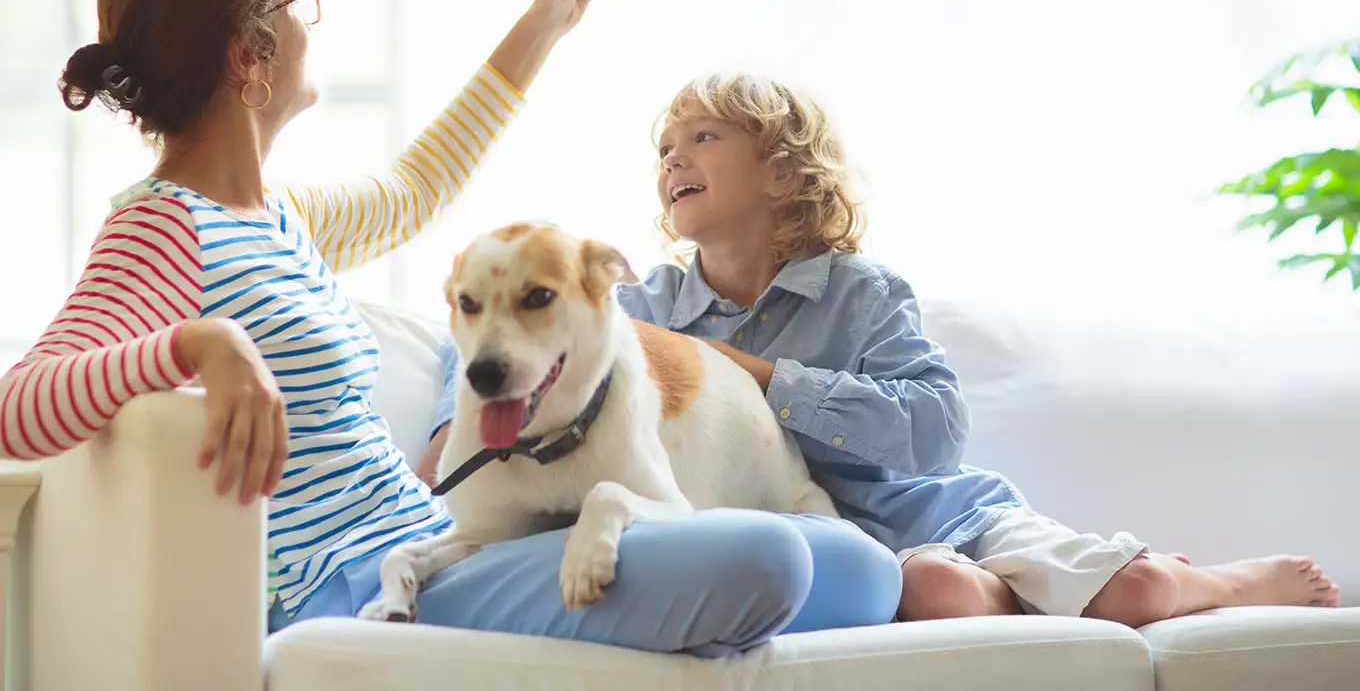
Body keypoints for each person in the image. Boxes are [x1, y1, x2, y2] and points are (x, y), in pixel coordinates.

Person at [0, 0, 900, 654]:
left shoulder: (280, 218)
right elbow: (19, 405)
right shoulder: (161, 229)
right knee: (771, 563)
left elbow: (414, 188)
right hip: (358, 589)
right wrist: (199, 342)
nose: (310, 24)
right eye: (294, 3)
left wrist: (550, 15)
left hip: (437, 542)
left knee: (864, 569)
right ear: (249, 54)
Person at [426, 71, 1340, 625]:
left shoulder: (861, 293)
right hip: (851, 546)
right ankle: (1047, 592)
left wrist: (768, 378)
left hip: (940, 512)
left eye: (702, 137)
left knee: (1132, 595)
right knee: (935, 592)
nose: (673, 159)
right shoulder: (640, 304)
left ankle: (1210, 581)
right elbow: (522, 335)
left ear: (785, 170)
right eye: (664, 147)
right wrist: (455, 418)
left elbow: (935, 430)